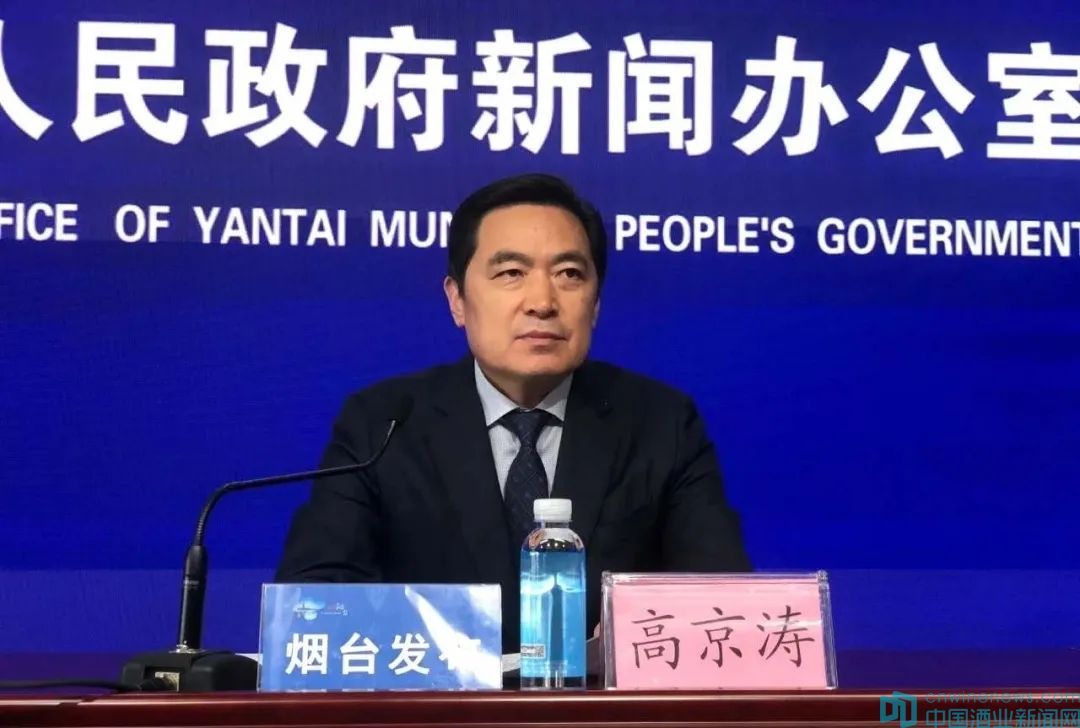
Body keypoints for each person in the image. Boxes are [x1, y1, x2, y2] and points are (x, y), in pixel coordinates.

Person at [275, 173, 751, 653]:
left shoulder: (660, 422)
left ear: (596, 304)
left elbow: (721, 601)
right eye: (511, 273)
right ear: (457, 300)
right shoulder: (383, 424)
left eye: (570, 274)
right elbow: (315, 599)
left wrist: (636, 636)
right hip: (434, 698)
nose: (542, 303)